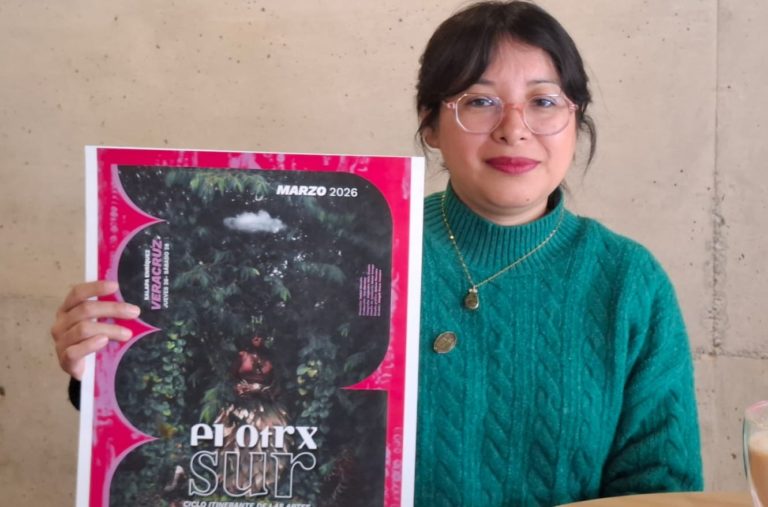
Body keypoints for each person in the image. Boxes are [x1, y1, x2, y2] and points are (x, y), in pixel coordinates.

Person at [51, 1, 703, 505]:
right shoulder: (356, 249)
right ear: (431, 125)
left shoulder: (628, 284)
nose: (514, 128)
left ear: (575, 119)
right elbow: (242, 417)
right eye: (479, 100)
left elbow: (661, 489)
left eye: (544, 101)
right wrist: (103, 367)